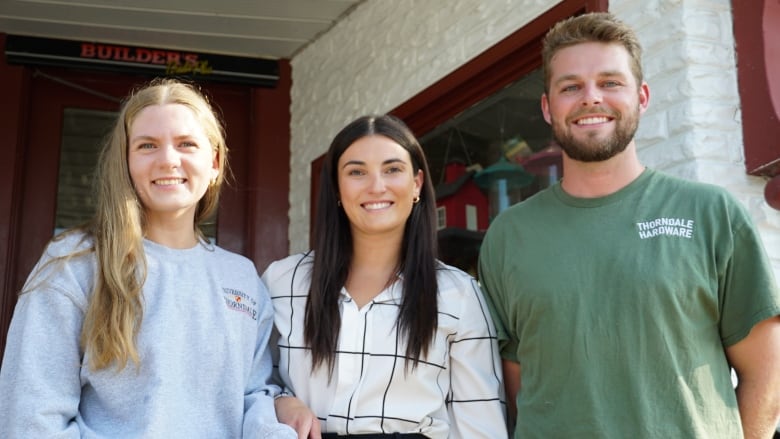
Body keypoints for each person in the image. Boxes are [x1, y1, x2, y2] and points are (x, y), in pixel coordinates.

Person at [478, 11, 780, 439]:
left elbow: (768, 375)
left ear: (641, 97)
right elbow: (516, 385)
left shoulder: (710, 213)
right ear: (548, 108)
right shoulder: (509, 236)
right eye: (570, 87)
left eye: (610, 82)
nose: (591, 98)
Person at [0, 78, 296, 438]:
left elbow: (254, 396)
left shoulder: (241, 277)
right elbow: (33, 415)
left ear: (215, 162)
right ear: (125, 161)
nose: (168, 159)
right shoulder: (74, 263)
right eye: (147, 145)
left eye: (186, 144)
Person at [261, 114, 507, 438]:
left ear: (417, 184)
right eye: (357, 172)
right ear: (336, 186)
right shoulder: (282, 281)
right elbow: (250, 386)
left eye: (392, 169)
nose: (376, 186)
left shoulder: (457, 294)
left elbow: (481, 425)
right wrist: (280, 402)